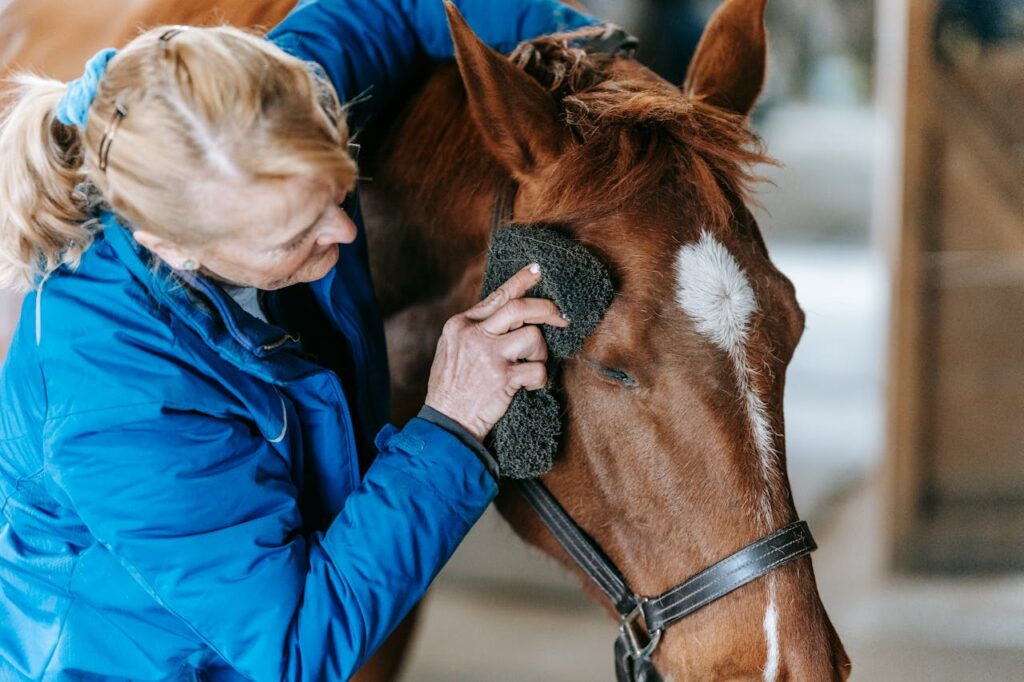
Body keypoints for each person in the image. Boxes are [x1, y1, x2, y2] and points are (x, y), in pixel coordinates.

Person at [0, 1, 601, 679]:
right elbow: (296, 647)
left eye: (339, 189)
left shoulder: (274, 109)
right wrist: (453, 424)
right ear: (172, 247)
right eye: (294, 236)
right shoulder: (115, 401)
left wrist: (586, 44)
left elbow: (397, 6)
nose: (342, 235)